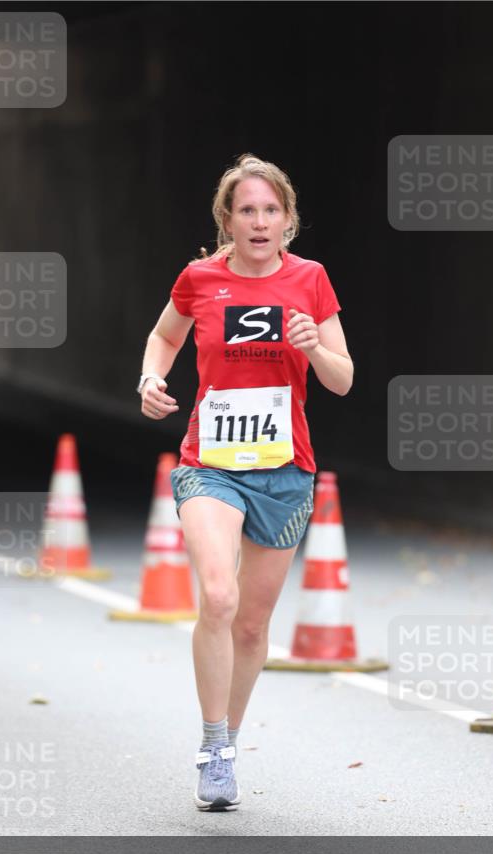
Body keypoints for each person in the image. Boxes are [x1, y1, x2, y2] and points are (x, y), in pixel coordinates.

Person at [137, 153, 353, 811]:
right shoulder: (199, 279)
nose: (258, 222)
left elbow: (342, 379)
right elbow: (163, 337)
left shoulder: (310, 280)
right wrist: (150, 378)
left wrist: (313, 345)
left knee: (253, 627)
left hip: (284, 473)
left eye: (270, 210)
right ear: (226, 220)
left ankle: (228, 740)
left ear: (287, 220)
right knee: (219, 595)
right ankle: (211, 750)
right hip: (210, 465)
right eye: (246, 210)